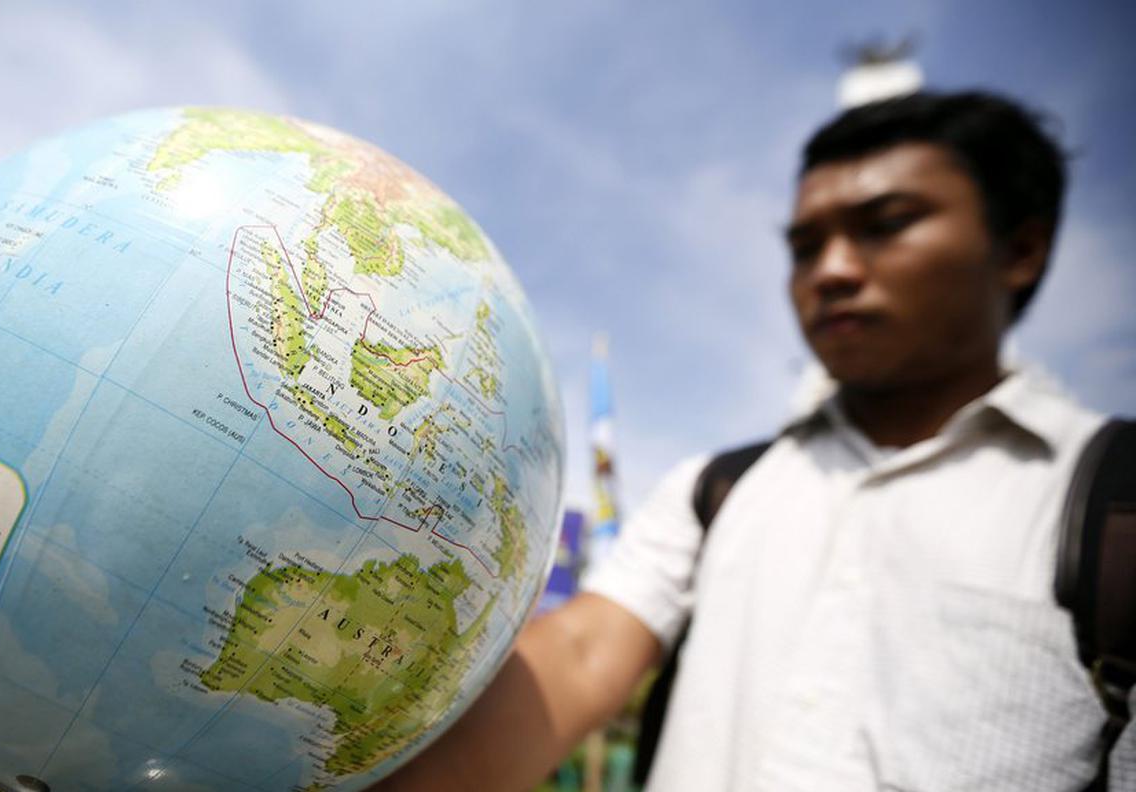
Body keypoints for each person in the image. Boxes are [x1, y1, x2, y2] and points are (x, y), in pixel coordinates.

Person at [376, 90, 1123, 791]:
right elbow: (580, 656)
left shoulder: (1113, 504)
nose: (831, 271)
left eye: (886, 223)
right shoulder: (718, 491)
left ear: (1021, 250)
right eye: (805, 246)